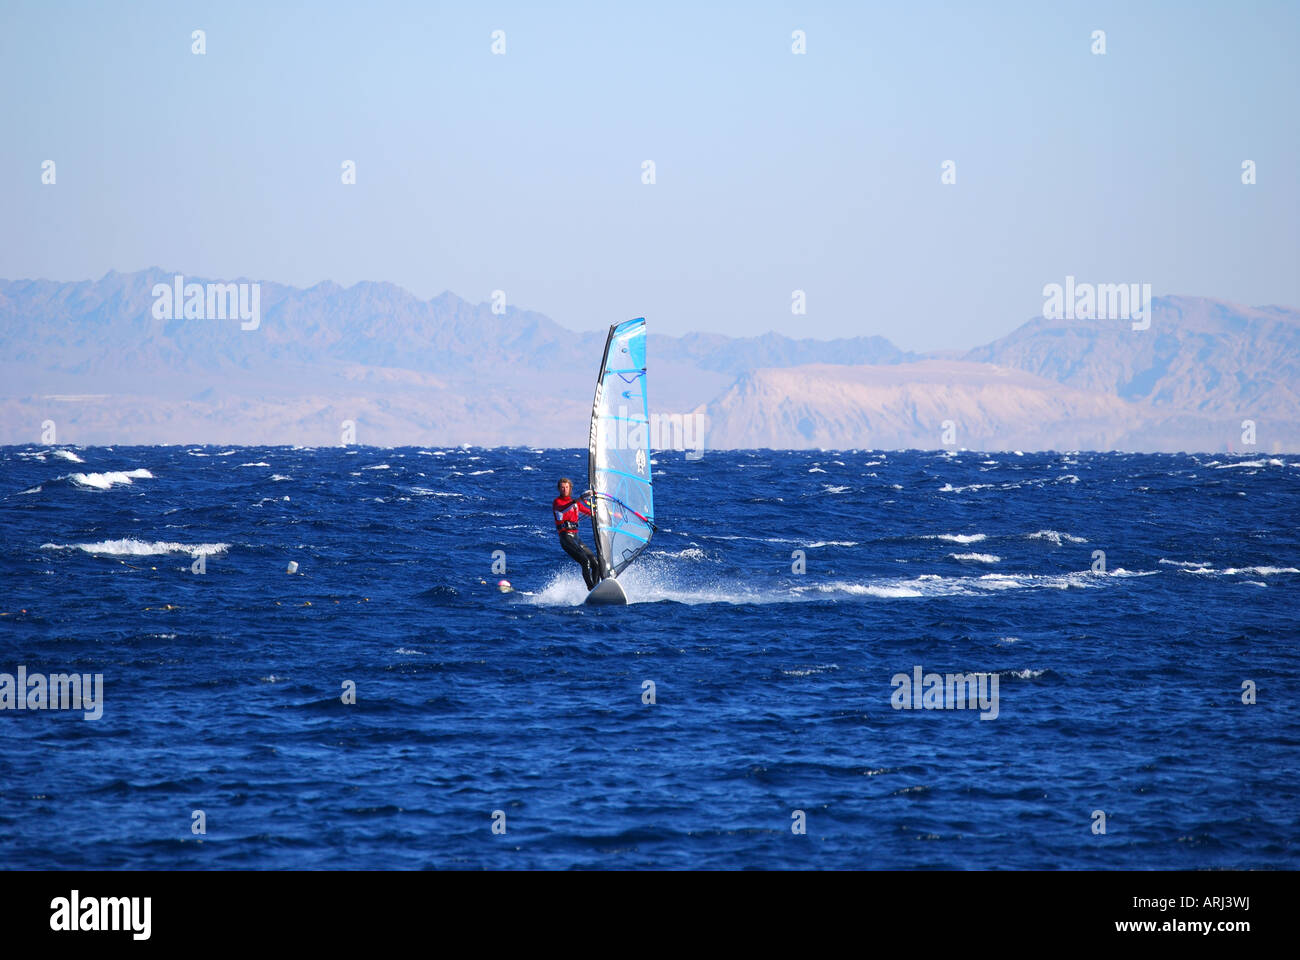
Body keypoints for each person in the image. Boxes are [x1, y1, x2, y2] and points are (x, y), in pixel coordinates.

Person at [553, 477, 601, 590]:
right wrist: (579, 499)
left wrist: (601, 510)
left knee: (595, 562)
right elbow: (563, 509)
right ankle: (591, 587)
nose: (564, 489)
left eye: (567, 487)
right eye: (562, 487)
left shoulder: (575, 504)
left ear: (570, 489)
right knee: (585, 560)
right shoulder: (557, 502)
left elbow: (590, 513)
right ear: (559, 489)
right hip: (566, 538)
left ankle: (596, 587)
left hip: (576, 538)